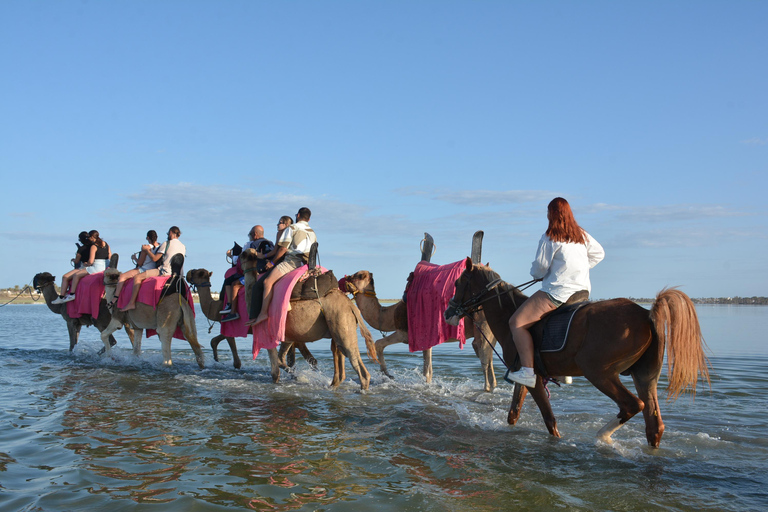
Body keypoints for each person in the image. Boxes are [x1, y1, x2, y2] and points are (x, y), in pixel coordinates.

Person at [505, 198, 605, 388]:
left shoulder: (549, 237)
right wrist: (580, 269)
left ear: (551, 214)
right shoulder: (582, 235)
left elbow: (539, 269)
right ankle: (560, 371)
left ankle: (527, 372)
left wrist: (541, 275)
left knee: (516, 323)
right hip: (582, 292)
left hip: (558, 292)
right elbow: (599, 254)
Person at [246, 208, 316, 326]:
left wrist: (272, 263)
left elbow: (283, 249)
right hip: (307, 265)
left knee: (267, 282)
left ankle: (263, 313)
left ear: (298, 215)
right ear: (308, 219)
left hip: (291, 262)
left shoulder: (292, 228)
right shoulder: (312, 232)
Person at [120, 226, 185, 312]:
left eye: (168, 233)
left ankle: (131, 303)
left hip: (164, 271)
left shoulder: (166, 243)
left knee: (137, 277)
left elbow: (155, 258)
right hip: (178, 275)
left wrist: (147, 251)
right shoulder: (183, 246)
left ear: (171, 233)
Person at [220, 225, 274, 323]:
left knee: (234, 284)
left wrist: (231, 255)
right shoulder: (270, 243)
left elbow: (239, 260)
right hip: (270, 271)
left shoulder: (251, 245)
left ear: (255, 234)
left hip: (255, 273)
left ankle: (233, 311)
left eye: (249, 235)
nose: (249, 237)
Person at [244, 216, 292, 323]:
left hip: (284, 262)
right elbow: (274, 251)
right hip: (289, 261)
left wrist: (272, 262)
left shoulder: (284, 234)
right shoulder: (281, 234)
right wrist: (263, 256)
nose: (277, 225)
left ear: (287, 225)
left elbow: (282, 250)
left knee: (260, 285)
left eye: (280, 223)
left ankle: (257, 315)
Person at [53, 230, 111, 304]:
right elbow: (110, 256)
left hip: (96, 267)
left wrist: (86, 264)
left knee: (74, 275)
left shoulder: (92, 246)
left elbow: (89, 261)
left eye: (90, 237)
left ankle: (70, 295)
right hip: (105, 266)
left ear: (92, 237)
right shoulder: (106, 244)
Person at [109, 230, 162, 308]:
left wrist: (134, 258)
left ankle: (115, 298)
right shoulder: (160, 246)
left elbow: (140, 263)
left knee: (122, 277)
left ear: (147, 237)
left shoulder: (145, 247)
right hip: (154, 270)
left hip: (144, 269)